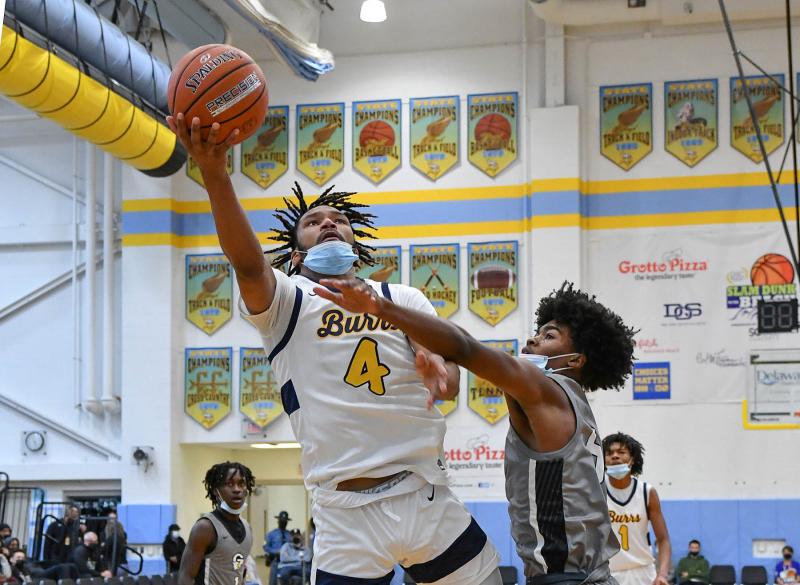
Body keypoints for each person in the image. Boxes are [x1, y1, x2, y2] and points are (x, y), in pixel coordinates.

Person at [166, 113, 502, 585]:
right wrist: (216, 177)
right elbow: (246, 264)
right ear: (298, 254)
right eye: (313, 221)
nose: (329, 223)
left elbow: (449, 384)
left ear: (354, 245)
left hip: (424, 492)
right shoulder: (285, 301)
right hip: (345, 513)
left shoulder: (401, 297)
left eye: (339, 219)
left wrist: (438, 373)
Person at [313, 278, 638, 585]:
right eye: (537, 332)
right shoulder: (576, 404)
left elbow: (464, 348)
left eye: (549, 336)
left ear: (577, 359)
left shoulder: (546, 388)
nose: (532, 340)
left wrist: (381, 309)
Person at [602, 433, 671, 585]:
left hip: (644, 572)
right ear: (603, 460)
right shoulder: (597, 491)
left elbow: (663, 539)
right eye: (609, 453)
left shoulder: (647, 492)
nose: (615, 456)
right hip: (608, 573)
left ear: (632, 459)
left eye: (621, 452)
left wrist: (663, 574)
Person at [177, 462, 254, 585]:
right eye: (229, 484)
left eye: (241, 484)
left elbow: (239, 573)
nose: (237, 489)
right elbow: (186, 575)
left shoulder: (247, 528)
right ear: (215, 491)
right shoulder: (205, 528)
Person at [8, 549, 80, 583]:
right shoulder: (13, 567)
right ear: (11, 559)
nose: (21, 559)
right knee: (62, 567)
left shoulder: (29, 561)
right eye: (18, 557)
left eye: (23, 557)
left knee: (71, 565)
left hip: (42, 571)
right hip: (36, 576)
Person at [264, 511, 292, 585]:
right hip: (275, 560)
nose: (283, 523)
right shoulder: (271, 534)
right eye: (282, 521)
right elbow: (266, 547)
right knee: (273, 582)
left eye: (285, 521)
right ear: (278, 521)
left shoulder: (290, 535)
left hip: (288, 562)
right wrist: (275, 552)